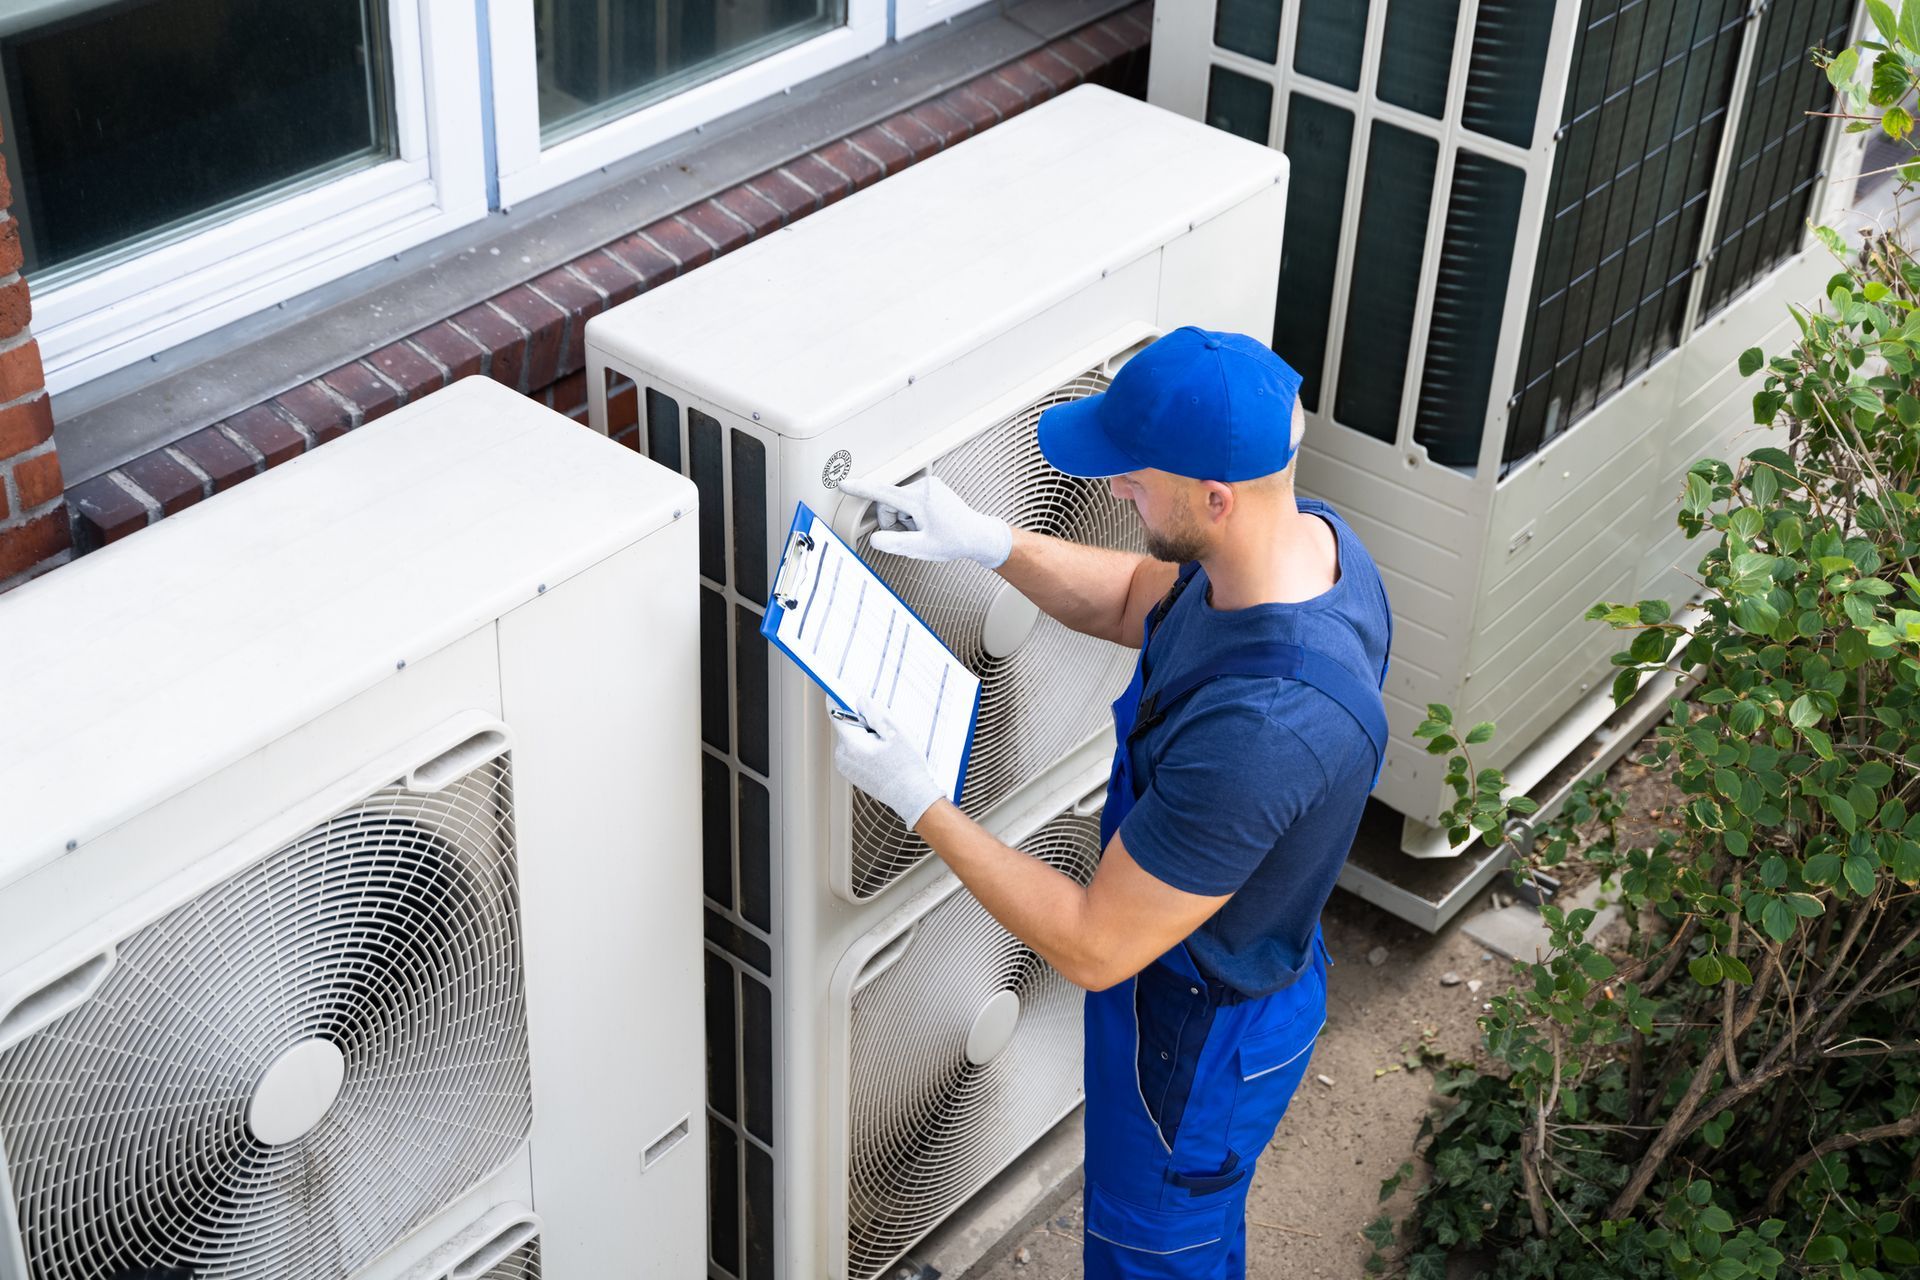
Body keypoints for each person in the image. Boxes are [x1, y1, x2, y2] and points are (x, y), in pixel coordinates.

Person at [831, 326, 1391, 1279]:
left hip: (1196, 1035)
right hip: (1203, 961)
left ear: (1215, 499)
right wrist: (989, 543)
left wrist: (920, 802)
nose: (1117, 491)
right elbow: (1138, 594)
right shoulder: (1303, 544)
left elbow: (1094, 943)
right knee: (1193, 1238)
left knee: (1155, 1248)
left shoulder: (1265, 729)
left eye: (1133, 477)